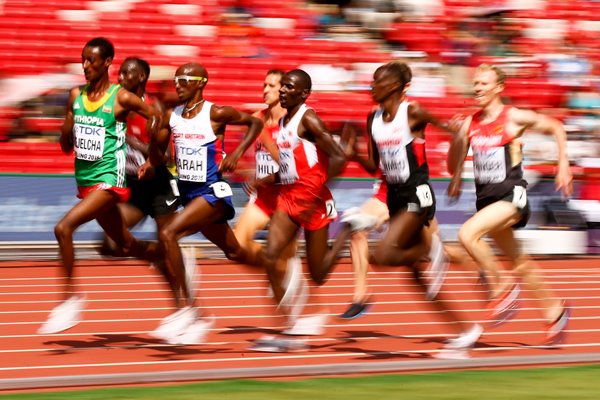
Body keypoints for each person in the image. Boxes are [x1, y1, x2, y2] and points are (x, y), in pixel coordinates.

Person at [341, 61, 482, 358]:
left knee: (385, 255)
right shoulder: (373, 118)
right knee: (416, 278)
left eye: (377, 81)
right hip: (392, 196)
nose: (371, 85)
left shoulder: (413, 112)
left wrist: (456, 174)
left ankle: (437, 254)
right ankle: (465, 331)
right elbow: (374, 166)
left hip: (417, 195)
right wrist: (351, 153)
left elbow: (457, 135)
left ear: (394, 86)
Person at [39, 37, 163, 335]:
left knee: (63, 228)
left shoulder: (121, 97)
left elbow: (157, 117)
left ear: (107, 62)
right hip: (86, 180)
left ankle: (70, 299)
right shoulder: (75, 96)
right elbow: (66, 147)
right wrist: (67, 129)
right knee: (126, 244)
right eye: (83, 60)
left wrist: (154, 160)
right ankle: (167, 256)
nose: (85, 65)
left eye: (92, 60)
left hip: (111, 180)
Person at [447, 63, 573, 345]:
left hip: (512, 196)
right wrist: (456, 155)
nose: (477, 88)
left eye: (483, 83)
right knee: (520, 263)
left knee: (467, 235)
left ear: (498, 88)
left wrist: (563, 163)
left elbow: (555, 125)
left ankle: (503, 288)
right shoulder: (470, 123)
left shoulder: (513, 117)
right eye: (475, 83)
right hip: (488, 201)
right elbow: (452, 162)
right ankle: (555, 312)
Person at [140, 62, 263, 344]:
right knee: (233, 251)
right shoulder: (172, 117)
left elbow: (255, 122)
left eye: (185, 79)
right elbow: (160, 157)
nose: (179, 84)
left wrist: (236, 153)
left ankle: (188, 310)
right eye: (176, 80)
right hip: (188, 194)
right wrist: (153, 148)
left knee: (169, 233)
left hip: (212, 193)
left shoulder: (216, 113)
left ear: (201, 83)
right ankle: (278, 269)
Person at [251, 69, 347, 351]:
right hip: (289, 197)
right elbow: (290, 165)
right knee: (270, 256)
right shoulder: (283, 122)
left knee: (317, 274)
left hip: (314, 201)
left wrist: (318, 188)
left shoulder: (309, 118)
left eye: (289, 87)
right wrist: (268, 179)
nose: (283, 91)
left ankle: (348, 233)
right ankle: (291, 328)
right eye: (283, 87)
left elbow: (339, 156)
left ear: (303, 94)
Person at [98, 57, 188, 307]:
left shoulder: (152, 110)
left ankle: (185, 308)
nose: (121, 77)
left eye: (128, 73)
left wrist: (134, 143)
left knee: (168, 239)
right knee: (110, 243)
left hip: (159, 186)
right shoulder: (114, 109)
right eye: (120, 73)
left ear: (141, 78)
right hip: (133, 187)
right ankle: (159, 254)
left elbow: (168, 156)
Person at [233, 69, 295, 266]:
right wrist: (244, 167)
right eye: (264, 85)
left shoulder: (294, 122)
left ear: (283, 90)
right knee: (237, 246)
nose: (265, 90)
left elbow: (290, 166)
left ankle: (283, 271)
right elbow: (243, 141)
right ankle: (277, 267)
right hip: (263, 196)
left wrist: (267, 140)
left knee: (286, 258)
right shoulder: (257, 118)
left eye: (271, 86)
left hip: (288, 198)